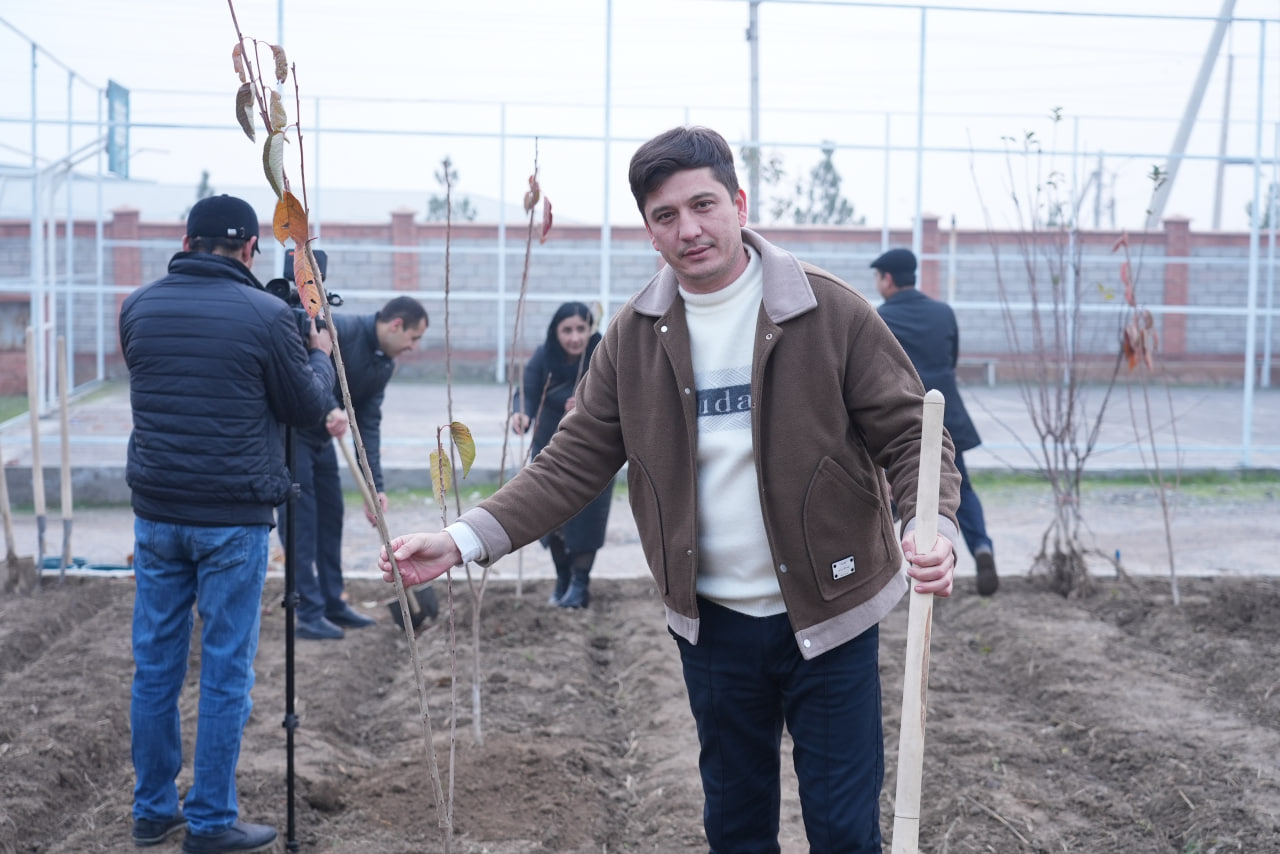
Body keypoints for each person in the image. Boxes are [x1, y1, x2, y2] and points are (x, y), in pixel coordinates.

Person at [378, 126, 960, 853]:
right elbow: (569, 463)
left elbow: (911, 434)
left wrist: (929, 523)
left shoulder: (829, 311)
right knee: (736, 830)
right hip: (713, 625)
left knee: (844, 832)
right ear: (649, 231)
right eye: (666, 215)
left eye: (703, 205)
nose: (689, 230)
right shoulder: (633, 337)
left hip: (831, 613)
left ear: (738, 204)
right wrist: (461, 539)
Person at [120, 194, 336, 854]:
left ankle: (152, 810)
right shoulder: (266, 315)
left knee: (155, 666)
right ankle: (211, 820)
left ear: (186, 242)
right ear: (249, 249)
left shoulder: (137, 307)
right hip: (232, 519)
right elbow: (306, 408)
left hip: (157, 512)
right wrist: (319, 353)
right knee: (224, 672)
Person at [283, 294, 430, 640]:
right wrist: (328, 406)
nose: (413, 347)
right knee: (301, 525)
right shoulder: (339, 331)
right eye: (413, 338)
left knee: (331, 519)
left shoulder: (383, 364)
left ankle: (333, 602)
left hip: (322, 442)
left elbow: (368, 426)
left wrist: (374, 487)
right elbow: (298, 366)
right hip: (292, 437)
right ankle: (308, 613)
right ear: (396, 326)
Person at [871, 247, 998, 596]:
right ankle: (982, 547)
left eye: (878, 278)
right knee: (960, 489)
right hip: (948, 416)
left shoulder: (879, 318)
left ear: (888, 279)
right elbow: (951, 359)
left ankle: (888, 565)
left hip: (900, 419)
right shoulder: (943, 313)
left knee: (892, 493)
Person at [509, 301, 612, 609]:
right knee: (551, 517)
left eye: (581, 329)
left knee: (587, 520)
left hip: (594, 453)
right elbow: (526, 391)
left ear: (591, 329)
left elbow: (622, 393)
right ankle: (563, 578)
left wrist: (587, 403)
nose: (575, 337)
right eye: (567, 330)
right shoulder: (545, 356)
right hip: (550, 452)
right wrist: (521, 413)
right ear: (555, 332)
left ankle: (581, 584)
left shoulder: (603, 354)